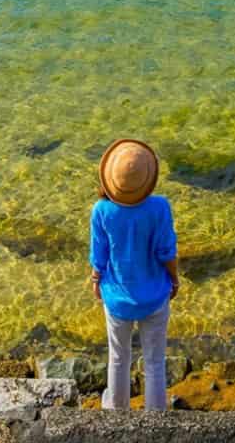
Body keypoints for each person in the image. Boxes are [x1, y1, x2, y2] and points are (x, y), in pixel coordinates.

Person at [91, 138, 179, 410]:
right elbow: (167, 252)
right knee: (154, 362)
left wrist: (96, 281)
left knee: (118, 358)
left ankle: (117, 413)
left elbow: (99, 256)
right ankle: (155, 419)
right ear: (148, 179)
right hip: (154, 297)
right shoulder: (159, 207)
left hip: (118, 299)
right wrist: (174, 280)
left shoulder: (102, 210)